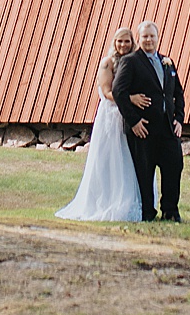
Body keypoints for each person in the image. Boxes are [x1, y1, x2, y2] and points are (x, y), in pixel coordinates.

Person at [55, 27, 144, 222]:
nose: (123, 45)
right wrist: (131, 99)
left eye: (127, 41)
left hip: (128, 115)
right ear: (114, 42)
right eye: (119, 41)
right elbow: (107, 93)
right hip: (111, 116)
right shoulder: (107, 63)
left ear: (132, 43)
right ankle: (106, 200)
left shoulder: (135, 61)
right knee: (110, 158)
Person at [112, 19, 185, 221]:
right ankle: (147, 213)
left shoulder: (167, 62)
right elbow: (119, 91)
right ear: (139, 38)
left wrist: (179, 118)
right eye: (145, 36)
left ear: (158, 38)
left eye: (152, 36)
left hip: (167, 128)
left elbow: (178, 93)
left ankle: (170, 211)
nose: (149, 40)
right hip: (143, 128)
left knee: (174, 166)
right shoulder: (131, 61)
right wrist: (134, 121)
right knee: (145, 172)